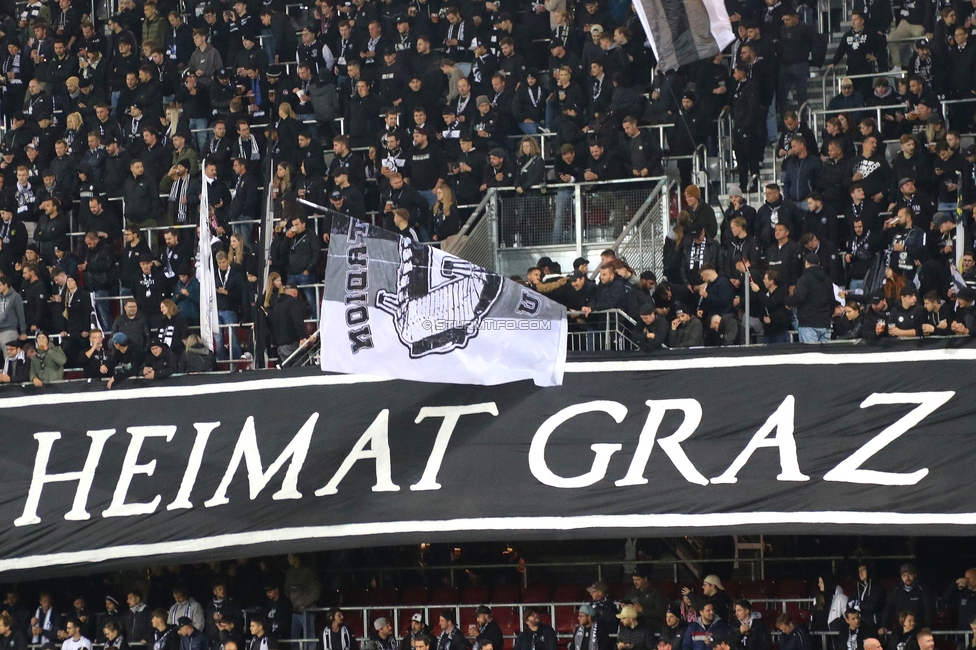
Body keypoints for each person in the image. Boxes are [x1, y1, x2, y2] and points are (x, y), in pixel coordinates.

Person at [786, 253, 838, 342]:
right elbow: (832, 301)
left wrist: (788, 302)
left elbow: (798, 297)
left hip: (808, 324)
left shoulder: (804, 279)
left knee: (810, 354)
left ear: (806, 263)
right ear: (818, 264)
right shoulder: (827, 280)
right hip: (825, 323)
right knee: (825, 355)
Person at [286, 554, 320, 650]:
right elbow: (287, 589)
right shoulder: (290, 572)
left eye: (290, 557)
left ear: (296, 558)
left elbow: (316, 591)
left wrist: (305, 604)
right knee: (294, 639)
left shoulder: (308, 571)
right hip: (295, 610)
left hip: (307, 610)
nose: (287, 559)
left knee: (310, 638)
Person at [271, 284, 306, 360]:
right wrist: (302, 337)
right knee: (297, 369)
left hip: (280, 345)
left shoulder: (276, 305)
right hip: (292, 342)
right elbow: (297, 321)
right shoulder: (293, 302)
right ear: (295, 293)